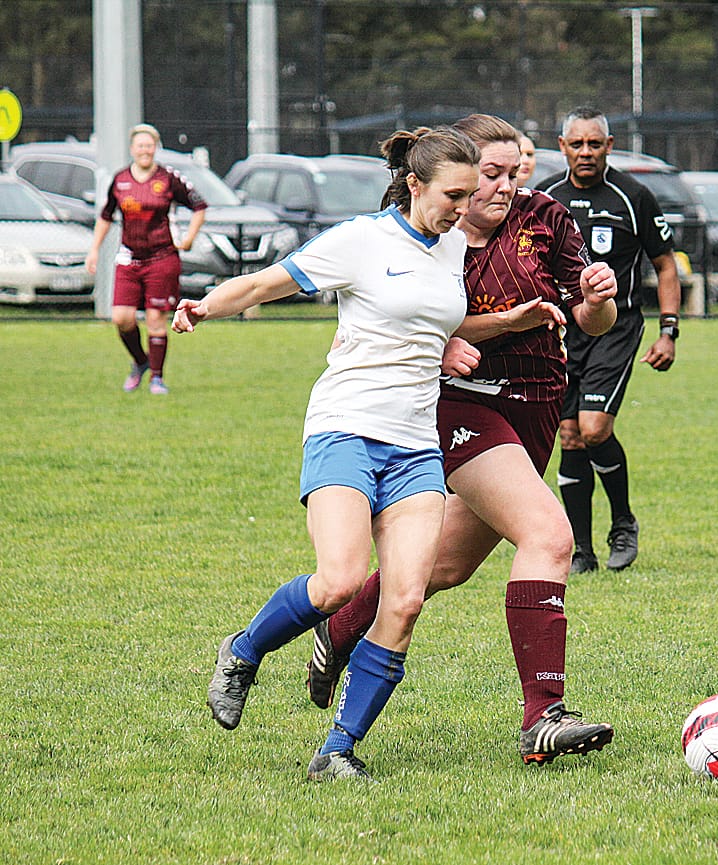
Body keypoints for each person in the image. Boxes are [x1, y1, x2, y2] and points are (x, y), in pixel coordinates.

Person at [305, 114, 619, 766]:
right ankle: (544, 715)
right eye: (490, 177)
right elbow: (414, 326)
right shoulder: (432, 238)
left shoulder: (546, 218)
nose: (504, 187)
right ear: (454, 182)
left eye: (514, 172)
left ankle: (339, 629)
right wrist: (489, 328)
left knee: (440, 567)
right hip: (460, 410)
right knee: (549, 535)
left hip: (534, 409)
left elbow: (590, 318)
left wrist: (597, 298)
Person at [174, 126, 482, 782]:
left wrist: (448, 342)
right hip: (345, 427)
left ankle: (338, 749)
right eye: (454, 194)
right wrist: (206, 306)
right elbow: (265, 284)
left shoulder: (453, 244)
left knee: (403, 602)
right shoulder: (361, 240)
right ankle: (243, 652)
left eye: (471, 193)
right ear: (416, 184)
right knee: (341, 579)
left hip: (415, 445)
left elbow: (431, 315)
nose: (464, 206)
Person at [537, 106, 682, 573]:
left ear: (609, 146)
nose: (585, 152)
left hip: (616, 329)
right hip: (563, 330)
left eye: (593, 144)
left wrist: (669, 329)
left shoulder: (633, 195)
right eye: (576, 144)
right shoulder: (547, 198)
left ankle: (623, 523)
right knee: (570, 436)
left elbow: (664, 265)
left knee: (595, 427)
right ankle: (582, 550)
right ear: (562, 147)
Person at [86, 123, 207, 395]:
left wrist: (188, 238)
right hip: (129, 259)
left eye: (149, 146)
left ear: (155, 148)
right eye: (140, 145)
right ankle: (141, 362)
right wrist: (94, 249)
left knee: (155, 319)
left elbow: (200, 206)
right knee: (122, 318)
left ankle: (157, 378)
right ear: (132, 149)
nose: (145, 150)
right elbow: (105, 217)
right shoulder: (119, 181)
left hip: (161, 258)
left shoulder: (168, 178)